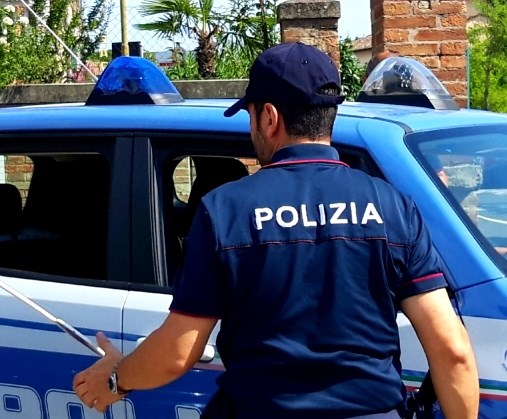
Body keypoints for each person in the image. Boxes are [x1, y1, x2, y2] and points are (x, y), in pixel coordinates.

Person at [73, 42, 479, 418]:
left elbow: (178, 353)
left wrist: (115, 378)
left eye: (250, 116)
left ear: (269, 117)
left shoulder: (224, 210)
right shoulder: (393, 207)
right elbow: (453, 351)